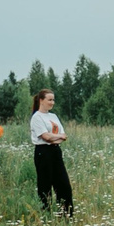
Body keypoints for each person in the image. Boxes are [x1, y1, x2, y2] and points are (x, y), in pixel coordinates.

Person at [29, 89, 73, 217]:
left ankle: (66, 214)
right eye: (49, 99)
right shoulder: (37, 117)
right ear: (41, 100)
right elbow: (45, 136)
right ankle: (45, 214)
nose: (52, 102)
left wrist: (56, 137)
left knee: (63, 184)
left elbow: (63, 135)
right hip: (43, 152)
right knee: (45, 185)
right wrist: (57, 137)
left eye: (53, 99)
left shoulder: (53, 116)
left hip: (55, 151)